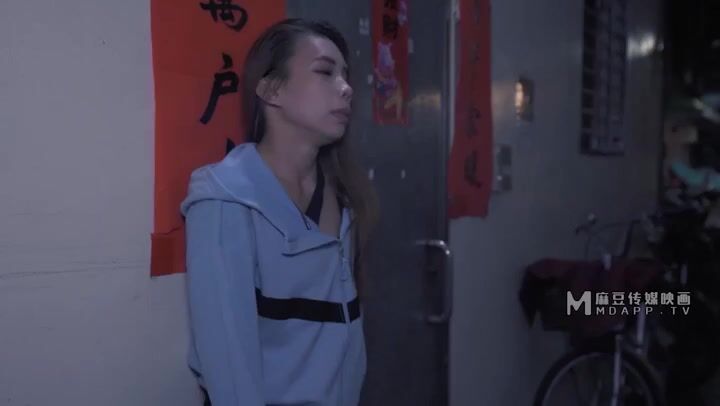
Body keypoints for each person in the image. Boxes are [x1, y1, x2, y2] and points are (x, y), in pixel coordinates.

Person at [180, 18, 379, 406]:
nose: (346, 88)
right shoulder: (227, 200)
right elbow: (230, 371)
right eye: (325, 72)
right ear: (271, 89)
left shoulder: (343, 198)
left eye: (346, 75)